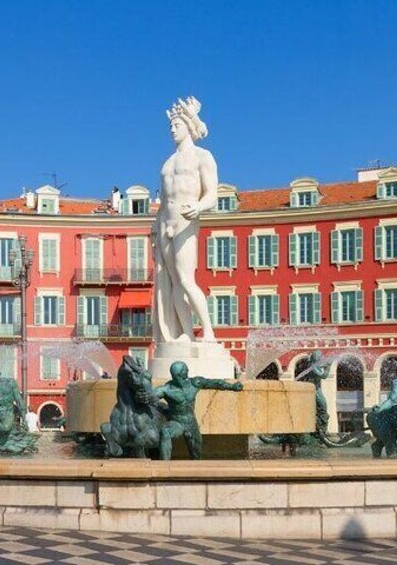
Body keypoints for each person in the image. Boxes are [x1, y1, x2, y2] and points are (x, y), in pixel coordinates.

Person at [153, 97, 218, 343]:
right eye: (170, 126)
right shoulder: (167, 163)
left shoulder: (202, 156)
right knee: (173, 283)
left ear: (189, 127)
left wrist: (199, 206)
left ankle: (209, 332)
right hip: (165, 223)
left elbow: (212, 193)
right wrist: (155, 228)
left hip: (185, 220)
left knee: (186, 278)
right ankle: (186, 334)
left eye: (177, 125)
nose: (172, 129)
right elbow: (163, 200)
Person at [144, 361, 242, 460]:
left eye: (186, 371)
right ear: (177, 375)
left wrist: (232, 386)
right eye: (183, 373)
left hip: (191, 423)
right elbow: (152, 395)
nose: (186, 373)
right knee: (166, 432)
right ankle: (164, 466)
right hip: (177, 422)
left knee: (196, 454)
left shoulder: (194, 383)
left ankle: (196, 468)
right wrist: (144, 397)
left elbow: (214, 383)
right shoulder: (167, 389)